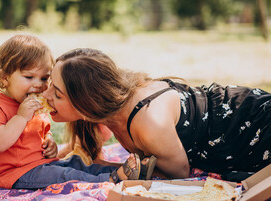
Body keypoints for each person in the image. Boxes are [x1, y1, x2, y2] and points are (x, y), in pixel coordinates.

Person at [43, 47, 271, 182]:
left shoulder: (147, 122)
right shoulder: (108, 106)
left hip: (253, 127)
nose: (46, 94)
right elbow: (93, 142)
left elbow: (179, 173)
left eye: (58, 93)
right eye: (50, 84)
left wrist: (119, 172)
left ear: (87, 102)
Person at [0, 34, 140, 189]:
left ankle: (125, 172)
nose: (38, 85)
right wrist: (20, 117)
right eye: (29, 77)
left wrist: (49, 143)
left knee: (76, 163)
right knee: (63, 175)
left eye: (44, 78)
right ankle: (109, 180)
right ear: (5, 78)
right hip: (14, 173)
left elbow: (41, 134)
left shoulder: (36, 105)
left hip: (41, 165)